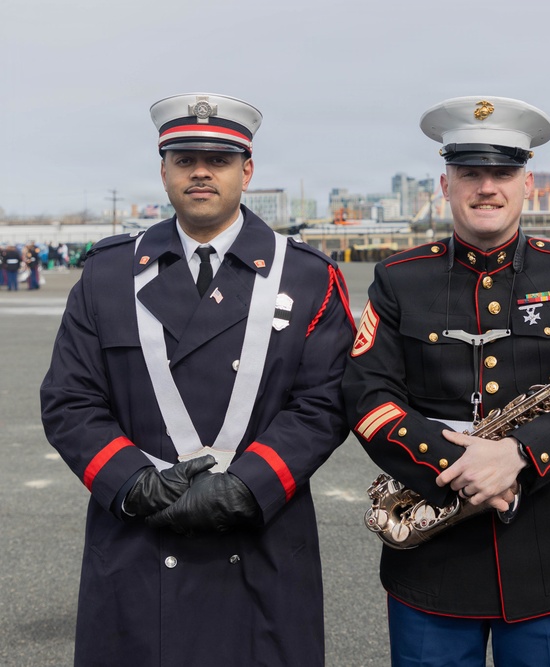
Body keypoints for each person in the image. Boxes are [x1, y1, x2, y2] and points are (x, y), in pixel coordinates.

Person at [40, 92, 356, 666]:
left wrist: (247, 485)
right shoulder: (109, 273)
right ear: (163, 171)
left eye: (220, 160)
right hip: (140, 537)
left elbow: (325, 403)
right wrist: (133, 483)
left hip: (259, 533)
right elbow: (69, 400)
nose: (202, 172)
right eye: (185, 160)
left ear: (247, 170)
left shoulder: (308, 277)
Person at [343, 96, 550, 666]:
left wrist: (519, 454)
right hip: (432, 560)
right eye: (470, 173)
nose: (486, 187)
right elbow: (367, 396)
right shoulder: (398, 280)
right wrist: (466, 470)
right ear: (446, 185)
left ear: (526, 184)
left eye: (502, 173)